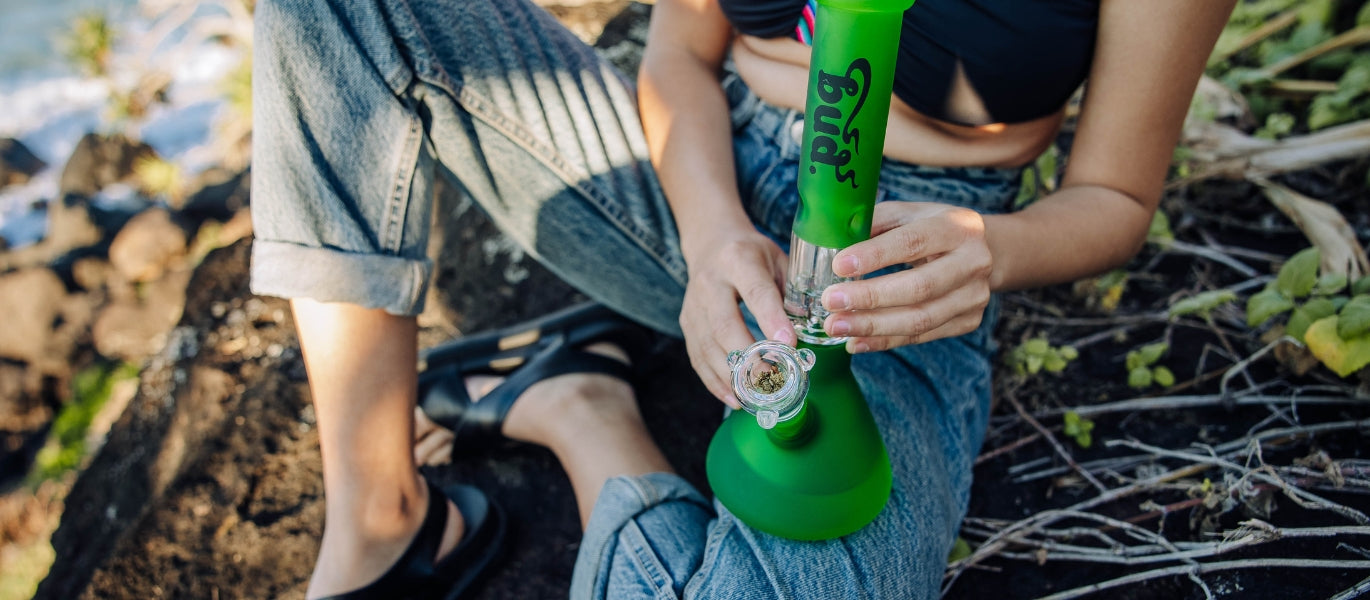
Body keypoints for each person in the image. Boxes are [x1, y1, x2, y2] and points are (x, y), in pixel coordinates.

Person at [250, 0, 1236, 598]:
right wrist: (713, 229)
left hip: (888, 277)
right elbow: (679, 52)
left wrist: (990, 252)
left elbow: (1112, 199)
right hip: (693, 181)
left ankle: (581, 407)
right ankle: (385, 519)